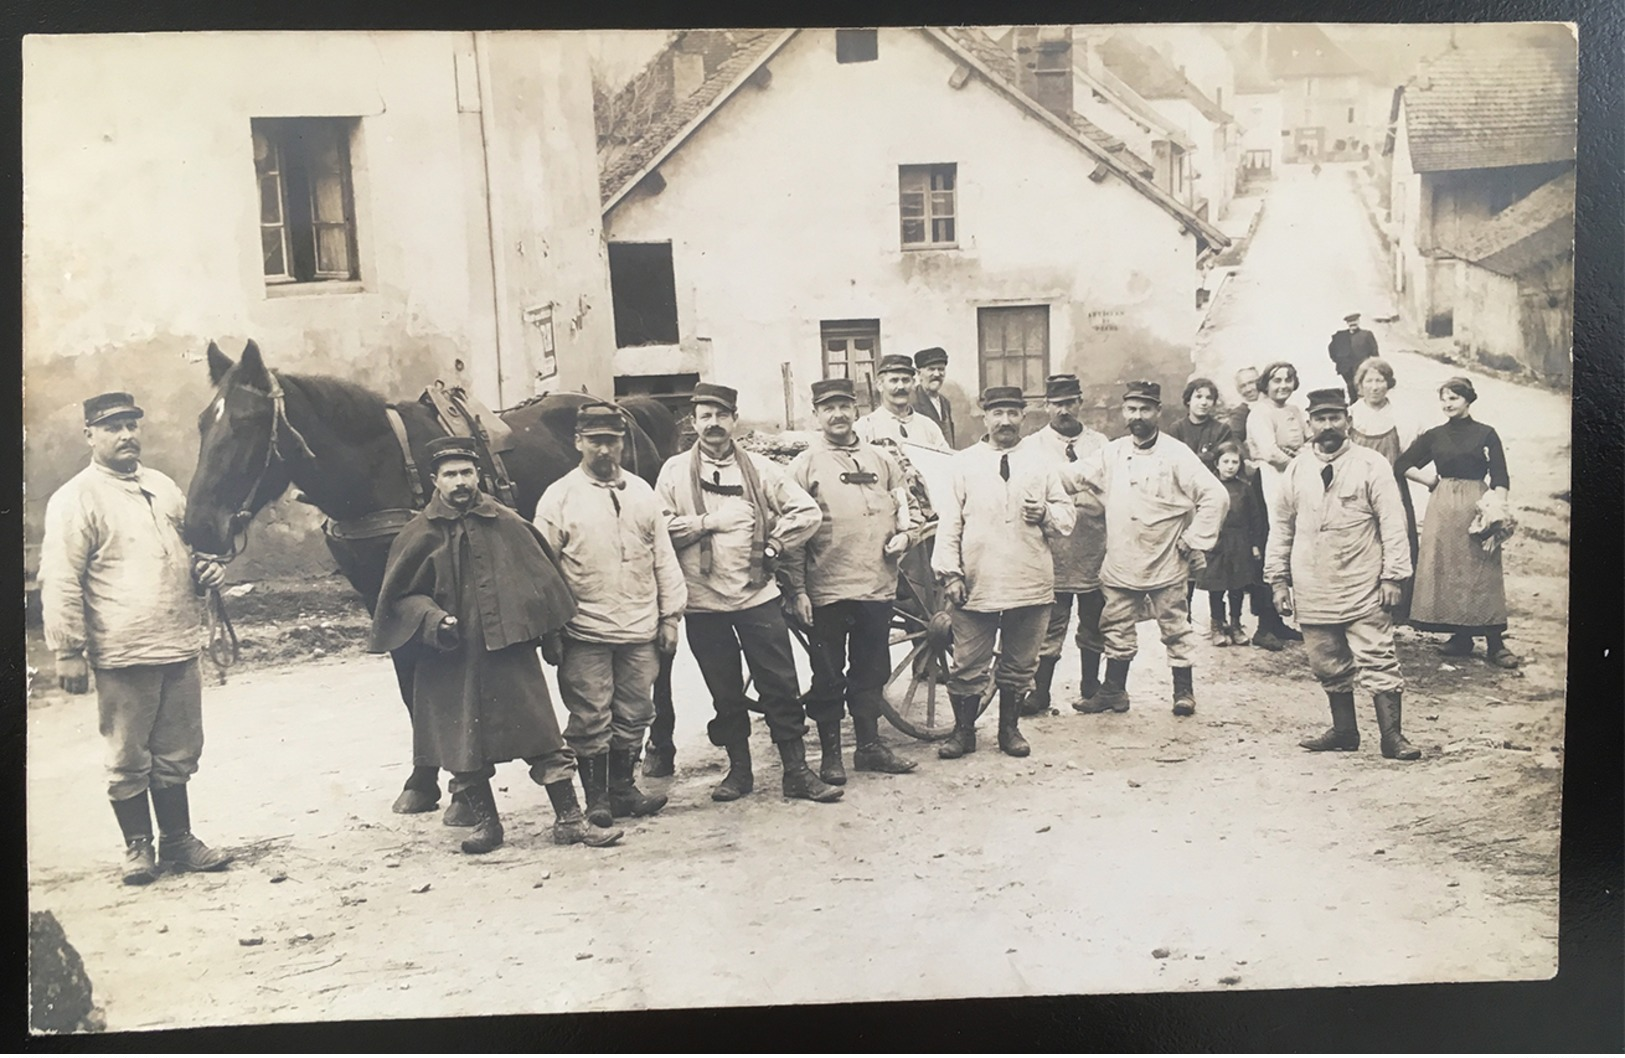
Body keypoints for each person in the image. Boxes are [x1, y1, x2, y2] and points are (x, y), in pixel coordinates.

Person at [369, 436, 621, 854]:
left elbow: (544, 580)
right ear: (435, 480)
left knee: (542, 738)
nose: (460, 482)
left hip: (509, 655)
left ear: (478, 475)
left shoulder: (508, 523)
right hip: (450, 659)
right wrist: (433, 619)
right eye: (450, 474)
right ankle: (488, 826)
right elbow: (399, 598)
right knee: (461, 747)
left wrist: (550, 635)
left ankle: (570, 821)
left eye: (466, 472)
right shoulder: (418, 533)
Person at [41, 391, 234, 885]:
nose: (126, 435)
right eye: (112, 427)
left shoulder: (164, 486)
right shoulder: (76, 498)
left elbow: (189, 549)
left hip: (177, 642)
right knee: (128, 754)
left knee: (178, 750)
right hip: (123, 650)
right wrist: (67, 650)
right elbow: (60, 577)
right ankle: (137, 848)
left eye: (131, 425)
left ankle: (178, 840)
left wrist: (207, 569)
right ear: (90, 435)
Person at [654, 382, 839, 803]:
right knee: (724, 690)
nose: (714, 424)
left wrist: (774, 545)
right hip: (702, 602)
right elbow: (658, 528)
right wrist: (708, 523)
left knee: (780, 684)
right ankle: (739, 772)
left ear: (734, 420)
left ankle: (796, 770)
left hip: (757, 597)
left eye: (721, 416)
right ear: (694, 422)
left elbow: (806, 512)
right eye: (705, 416)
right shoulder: (673, 472)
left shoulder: (761, 469)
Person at [534, 402, 686, 826]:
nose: (605, 451)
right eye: (595, 441)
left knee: (636, 711)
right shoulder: (559, 497)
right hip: (585, 631)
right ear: (578, 443)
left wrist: (670, 617)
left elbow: (663, 558)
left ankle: (622, 790)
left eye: (612, 441)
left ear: (623, 443)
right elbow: (543, 569)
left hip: (640, 627)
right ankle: (597, 798)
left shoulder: (641, 492)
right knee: (590, 715)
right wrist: (552, 630)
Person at [1267, 389, 1418, 760]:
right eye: (1320, 419)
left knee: (1378, 657)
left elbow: (1393, 524)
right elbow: (1281, 527)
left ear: (1348, 421)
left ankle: (1392, 737)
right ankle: (1345, 731)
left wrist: (1393, 577)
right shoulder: (1298, 469)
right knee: (1326, 661)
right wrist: (1278, 579)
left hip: (1363, 583)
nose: (1328, 426)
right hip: (1313, 583)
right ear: (1309, 423)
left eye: (1335, 417)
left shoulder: (1371, 464)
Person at [785, 377, 919, 784]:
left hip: (876, 585)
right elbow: (791, 535)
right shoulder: (803, 465)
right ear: (817, 415)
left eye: (845, 406)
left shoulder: (882, 460)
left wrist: (906, 536)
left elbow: (907, 508)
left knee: (873, 668)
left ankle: (869, 747)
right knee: (827, 673)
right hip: (826, 588)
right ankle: (830, 756)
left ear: (856, 410)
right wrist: (797, 590)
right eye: (829, 408)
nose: (838, 414)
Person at [932, 385, 1075, 759]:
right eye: (998, 413)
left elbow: (1066, 519)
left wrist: (1044, 513)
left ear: (1023, 417)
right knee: (967, 664)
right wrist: (951, 574)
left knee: (1019, 663)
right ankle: (964, 734)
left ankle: (1008, 731)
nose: (1006, 421)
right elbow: (949, 524)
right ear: (985, 417)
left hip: (1029, 579)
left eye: (1013, 413)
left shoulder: (1042, 462)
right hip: (978, 580)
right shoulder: (962, 463)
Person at [1074, 381, 1227, 718]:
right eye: (1132, 409)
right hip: (1122, 559)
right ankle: (1114, 691)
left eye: (1145, 409)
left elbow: (1215, 496)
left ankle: (1183, 692)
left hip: (1166, 560)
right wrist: (1036, 480)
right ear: (1124, 412)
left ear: (1158, 412)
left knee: (1175, 626)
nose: (1138, 416)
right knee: (1115, 625)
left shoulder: (1176, 454)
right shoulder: (1111, 452)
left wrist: (1194, 539)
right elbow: (1075, 476)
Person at [1394, 377, 1520, 668]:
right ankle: (1461, 637)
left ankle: (1495, 643)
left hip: (1477, 506)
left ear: (1468, 400)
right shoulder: (1435, 435)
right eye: (1444, 398)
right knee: (1450, 569)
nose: (1448, 404)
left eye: (1454, 398)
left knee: (1482, 570)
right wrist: (1430, 480)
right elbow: (1403, 464)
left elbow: (1500, 476)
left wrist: (1497, 510)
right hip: (1443, 508)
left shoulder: (1486, 434)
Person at [1016, 373, 1109, 714]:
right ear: (1046, 407)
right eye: (1057, 404)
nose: (1064, 410)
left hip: (1093, 545)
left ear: (1080, 403)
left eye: (1070, 403)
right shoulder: (1032, 446)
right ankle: (1040, 693)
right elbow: (1033, 492)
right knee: (1049, 624)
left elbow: (1106, 491)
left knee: (1094, 620)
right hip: (1052, 549)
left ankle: (1091, 685)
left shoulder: (1100, 444)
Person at [1348, 357, 1432, 617]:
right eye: (1369, 381)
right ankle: (1360, 604)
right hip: (1356, 489)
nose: (1375, 386)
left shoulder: (1402, 418)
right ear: (1360, 385)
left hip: (1393, 489)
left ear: (1388, 383)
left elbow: (1416, 454)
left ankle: (1397, 608)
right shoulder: (1351, 415)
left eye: (1380, 380)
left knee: (1396, 540)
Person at [1197, 441, 1269, 647]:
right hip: (1215, 543)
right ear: (1217, 464)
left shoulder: (1245, 489)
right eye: (1225, 461)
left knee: (1237, 586)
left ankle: (1236, 624)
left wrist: (1255, 544)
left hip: (1239, 542)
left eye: (1234, 462)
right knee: (1216, 587)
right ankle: (1217, 625)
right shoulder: (1208, 487)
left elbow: (1255, 519)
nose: (1230, 466)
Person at [1168, 377, 1234, 463]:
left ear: (1213, 402)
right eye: (1198, 397)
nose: (1204, 402)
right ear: (1188, 400)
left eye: (1209, 398)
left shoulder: (1222, 430)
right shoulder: (1177, 429)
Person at [1328, 312, 1380, 404]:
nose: (1353, 324)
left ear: (1358, 321)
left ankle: (1366, 404)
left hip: (1363, 366)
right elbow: (1332, 350)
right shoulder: (1340, 336)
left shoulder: (1366, 334)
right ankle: (1354, 405)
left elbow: (1374, 351)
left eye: (1355, 321)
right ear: (1347, 323)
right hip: (1346, 368)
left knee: (1363, 386)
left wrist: (1375, 365)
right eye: (1350, 322)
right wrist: (1338, 361)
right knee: (1351, 388)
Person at [910, 346, 957, 448]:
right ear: (919, 373)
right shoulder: (911, 401)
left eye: (941, 369)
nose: (937, 374)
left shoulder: (945, 402)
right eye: (931, 369)